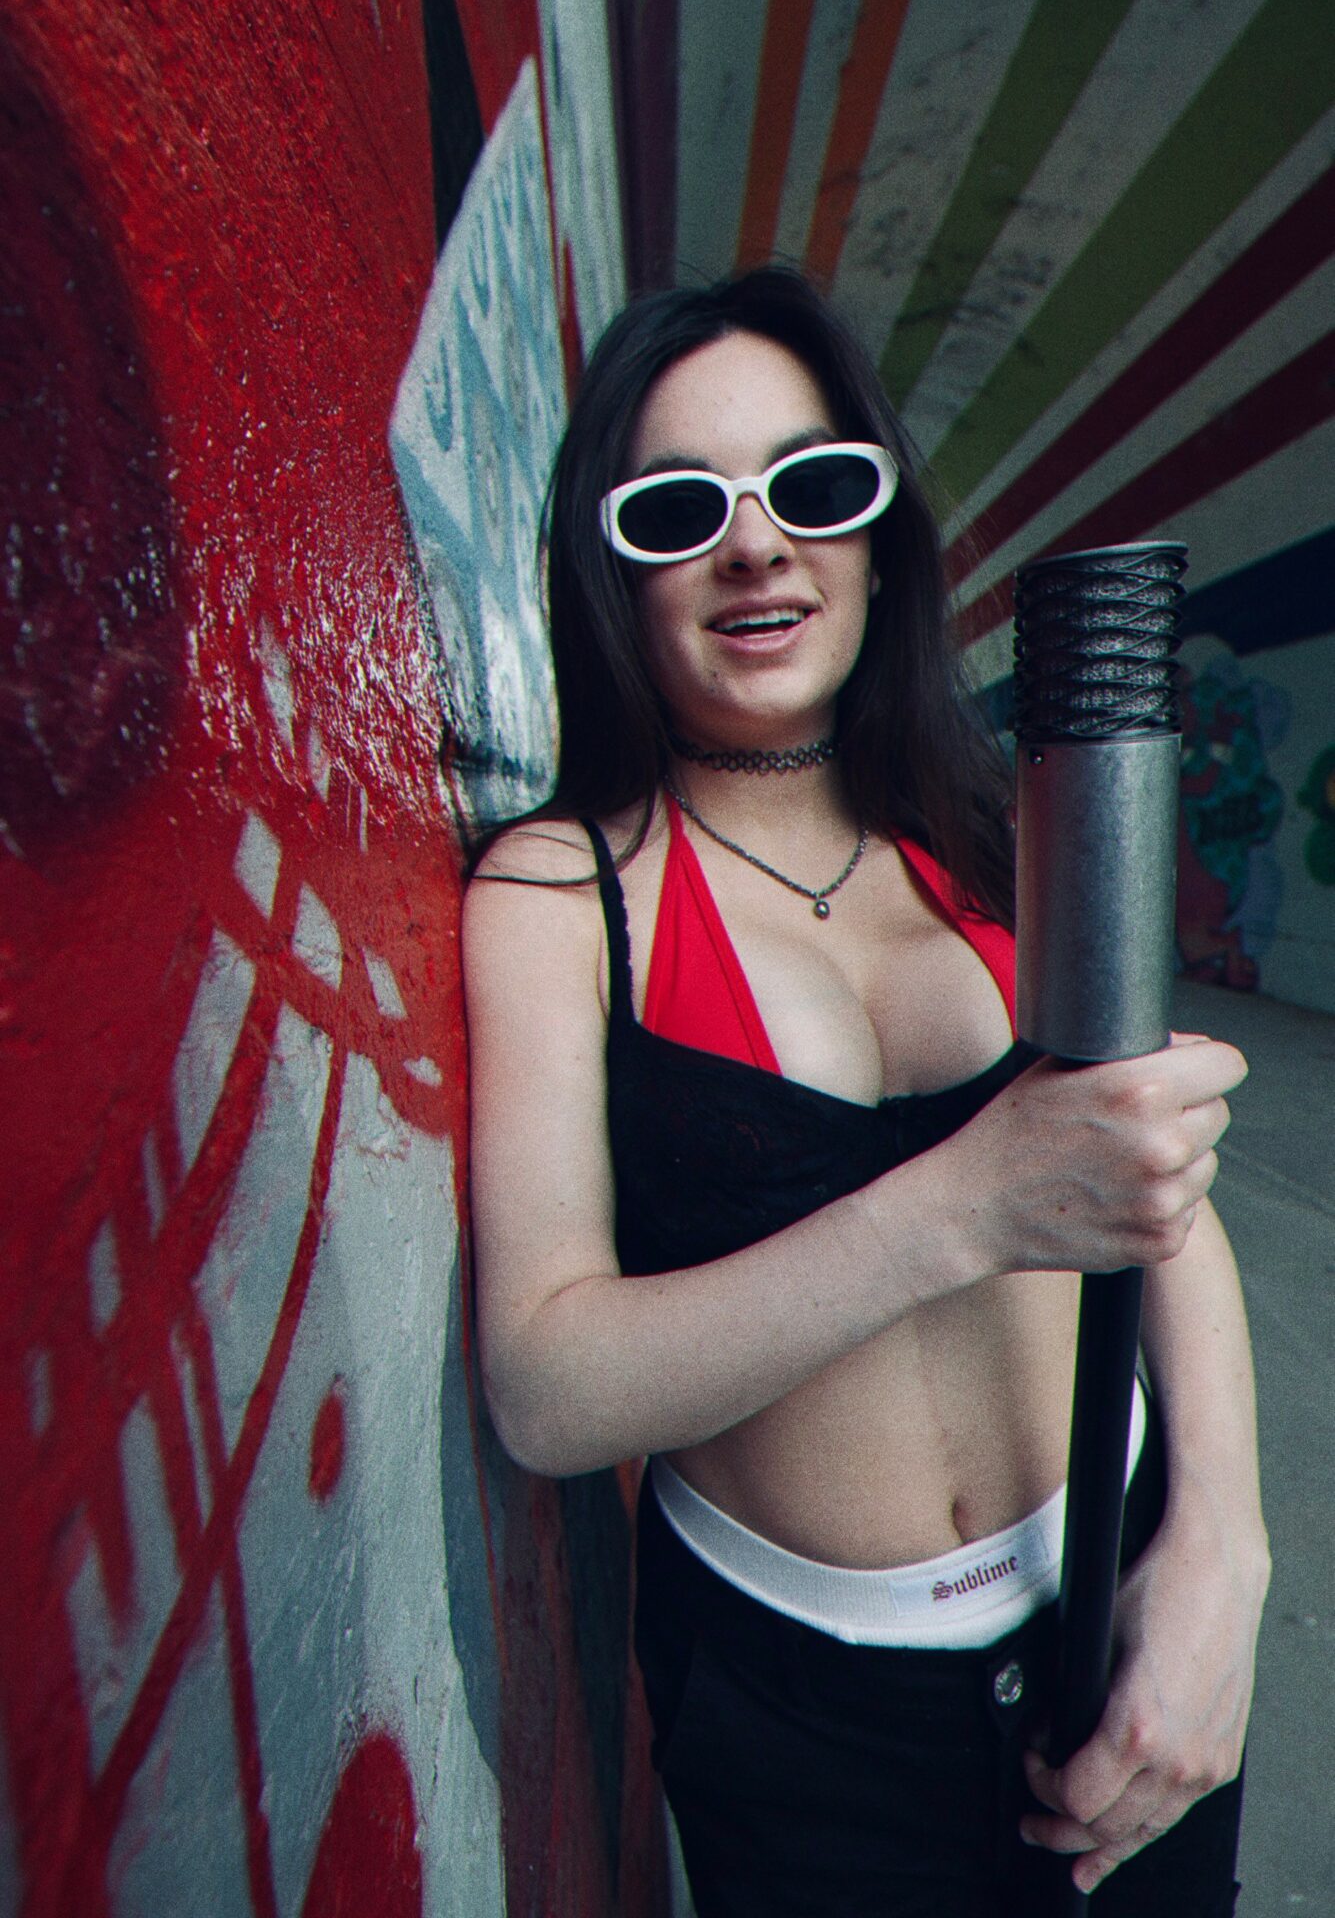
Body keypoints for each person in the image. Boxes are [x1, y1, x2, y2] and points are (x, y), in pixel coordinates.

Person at [462, 268, 1269, 1915]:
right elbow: (546, 1386)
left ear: (877, 537)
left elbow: (1157, 1201)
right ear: (611, 576)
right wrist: (965, 1205)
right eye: (680, 510)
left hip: (1127, 1607)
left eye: (811, 486)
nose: (756, 547)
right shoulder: (561, 895)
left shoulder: (996, 826)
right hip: (804, 1726)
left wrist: (1221, 1554)